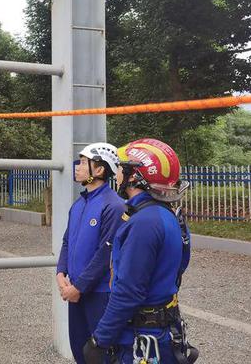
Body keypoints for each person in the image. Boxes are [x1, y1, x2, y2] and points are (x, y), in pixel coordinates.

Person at [83, 138, 197, 364]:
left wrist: (100, 340)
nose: (116, 174)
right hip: (163, 332)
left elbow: (129, 290)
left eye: (120, 169)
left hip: (143, 338)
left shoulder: (144, 222)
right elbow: (180, 265)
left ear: (134, 176)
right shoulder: (167, 214)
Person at [56, 143, 125, 364]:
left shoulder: (114, 206)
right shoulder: (79, 204)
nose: (77, 167)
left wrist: (78, 287)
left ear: (100, 170)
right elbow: (67, 241)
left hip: (99, 294)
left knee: (101, 354)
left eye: (84, 163)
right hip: (75, 291)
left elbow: (105, 254)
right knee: (80, 350)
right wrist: (60, 273)